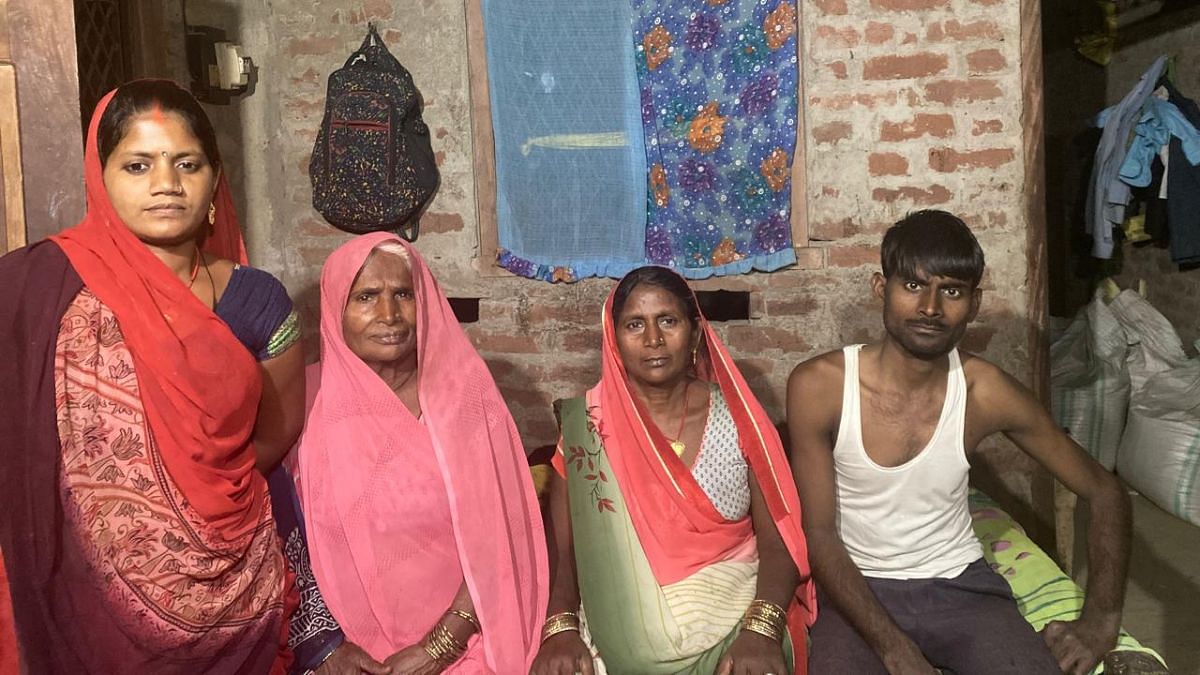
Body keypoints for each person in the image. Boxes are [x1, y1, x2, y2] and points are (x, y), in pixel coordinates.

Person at [0, 80, 306, 672]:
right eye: (138, 165)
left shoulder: (257, 299)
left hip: (235, 574)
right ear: (101, 176)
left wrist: (197, 500)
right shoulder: (36, 289)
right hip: (81, 589)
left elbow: (279, 428)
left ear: (215, 179)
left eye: (186, 164)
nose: (165, 184)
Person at [786, 210, 1131, 675]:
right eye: (912, 286)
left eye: (951, 291)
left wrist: (1100, 622)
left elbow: (1104, 490)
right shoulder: (819, 386)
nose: (930, 307)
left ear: (973, 303)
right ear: (879, 288)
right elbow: (820, 534)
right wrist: (895, 649)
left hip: (961, 587)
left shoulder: (985, 392)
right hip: (858, 592)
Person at [274, 232, 548, 674]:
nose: (389, 315)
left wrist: (442, 644)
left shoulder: (462, 398)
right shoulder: (305, 399)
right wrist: (325, 647)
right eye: (366, 297)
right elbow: (277, 533)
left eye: (403, 294)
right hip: (339, 653)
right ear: (334, 311)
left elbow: (501, 533)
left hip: (468, 640)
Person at [532, 266, 817, 675]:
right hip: (621, 626)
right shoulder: (586, 430)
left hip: (736, 616)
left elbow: (780, 542)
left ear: (696, 333)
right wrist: (559, 628)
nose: (653, 340)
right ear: (614, 339)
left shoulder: (739, 420)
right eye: (635, 324)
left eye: (668, 321)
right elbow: (565, 551)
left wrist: (762, 628)